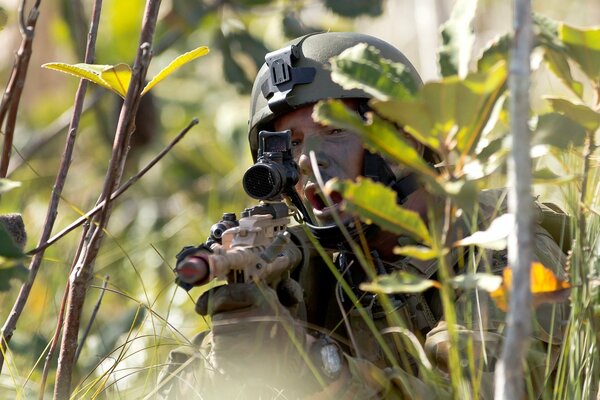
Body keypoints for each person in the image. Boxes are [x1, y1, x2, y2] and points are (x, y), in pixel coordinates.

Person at [157, 32, 569, 399]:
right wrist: (231, 353)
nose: (305, 163)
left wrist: (316, 367)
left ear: (403, 139)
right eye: (291, 144)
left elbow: (483, 388)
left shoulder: (504, 247)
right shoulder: (305, 267)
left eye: (335, 130)